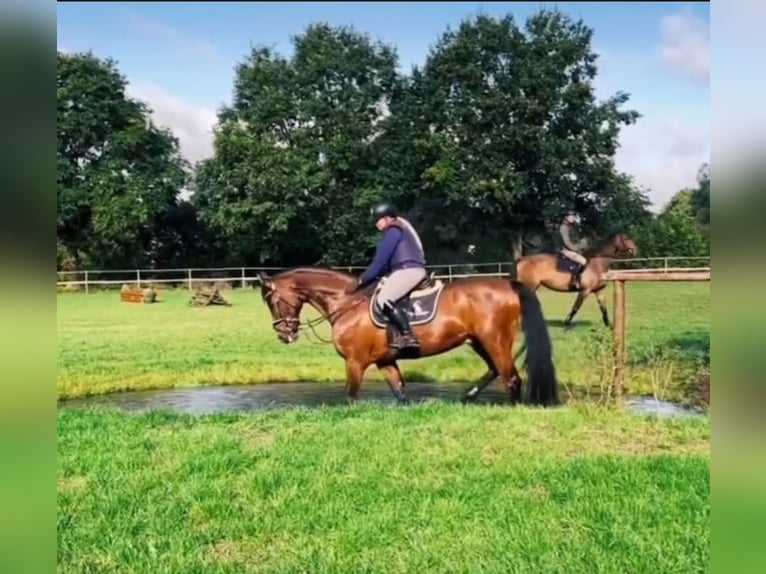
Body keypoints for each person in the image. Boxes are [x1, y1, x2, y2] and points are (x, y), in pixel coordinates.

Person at [345, 201, 427, 349]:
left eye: (378, 219)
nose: (376, 224)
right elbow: (385, 266)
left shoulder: (393, 231)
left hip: (407, 270)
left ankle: (408, 336)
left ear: (388, 218)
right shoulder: (401, 229)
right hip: (405, 269)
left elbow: (378, 264)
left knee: (384, 299)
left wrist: (360, 281)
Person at [558, 211, 588, 290]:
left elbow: (575, 240)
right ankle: (574, 281)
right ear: (566, 217)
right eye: (571, 216)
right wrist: (577, 248)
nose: (573, 218)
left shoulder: (572, 227)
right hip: (566, 251)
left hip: (573, 249)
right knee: (583, 261)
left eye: (574, 216)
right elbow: (567, 243)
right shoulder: (563, 227)